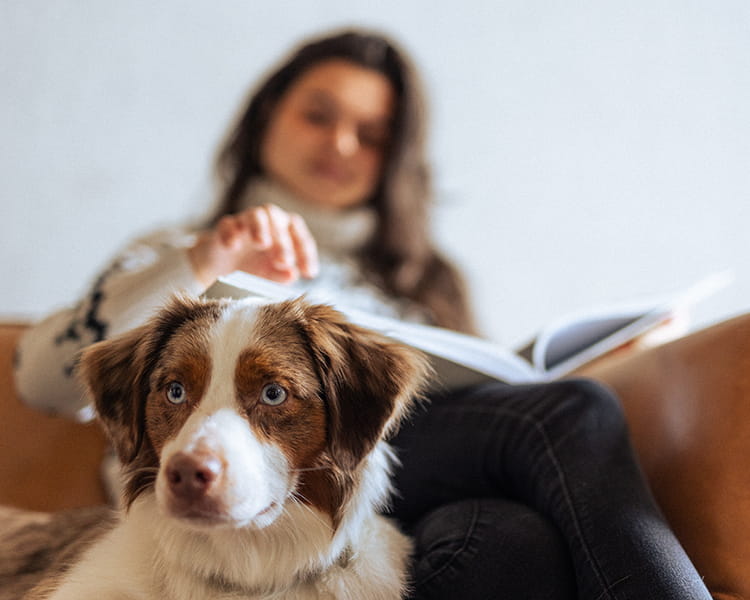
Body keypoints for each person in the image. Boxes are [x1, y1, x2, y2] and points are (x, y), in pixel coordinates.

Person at [14, 29, 711, 599]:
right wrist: (205, 259)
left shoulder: (422, 281)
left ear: (393, 159)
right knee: (532, 495)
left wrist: (615, 361)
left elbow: (501, 412)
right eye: (318, 114)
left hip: (381, 485)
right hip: (282, 514)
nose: (339, 143)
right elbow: (46, 379)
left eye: (370, 133)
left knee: (551, 457)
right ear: (267, 117)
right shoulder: (178, 251)